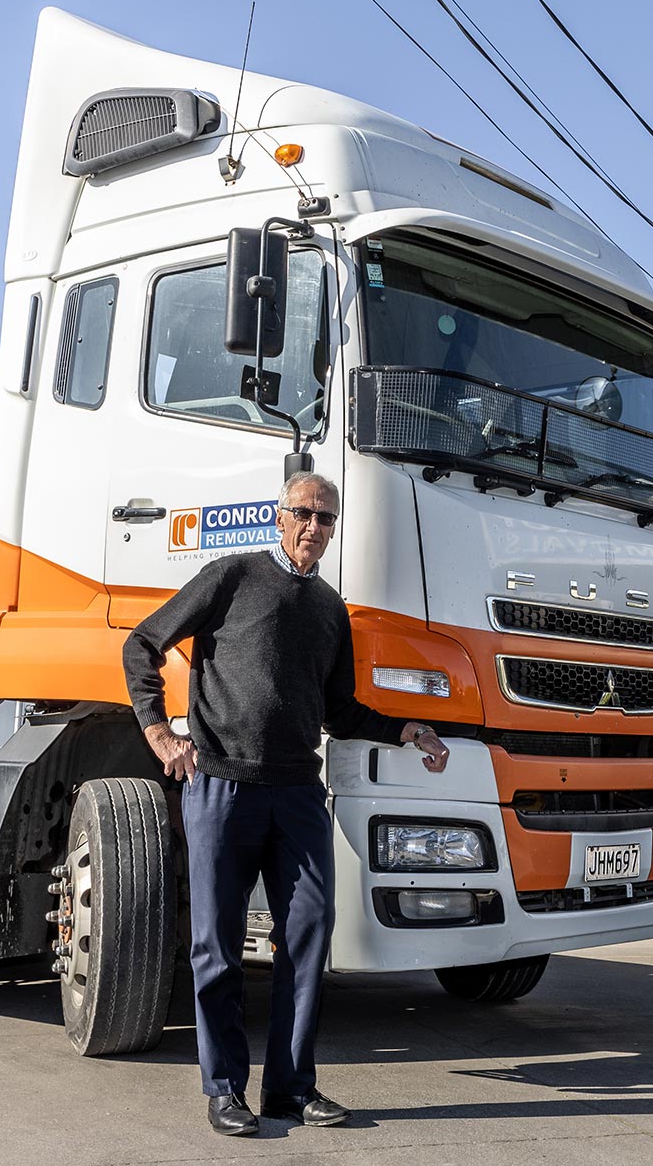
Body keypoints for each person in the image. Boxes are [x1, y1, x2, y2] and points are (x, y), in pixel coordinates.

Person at [123, 471, 450, 1137]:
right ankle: (224, 1090)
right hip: (221, 786)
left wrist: (408, 729)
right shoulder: (232, 576)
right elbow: (142, 643)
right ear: (279, 517)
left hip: (299, 791)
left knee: (309, 933)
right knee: (216, 946)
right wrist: (158, 728)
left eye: (326, 519)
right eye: (304, 514)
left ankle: (291, 1089)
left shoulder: (331, 608)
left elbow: (340, 707)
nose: (314, 528)